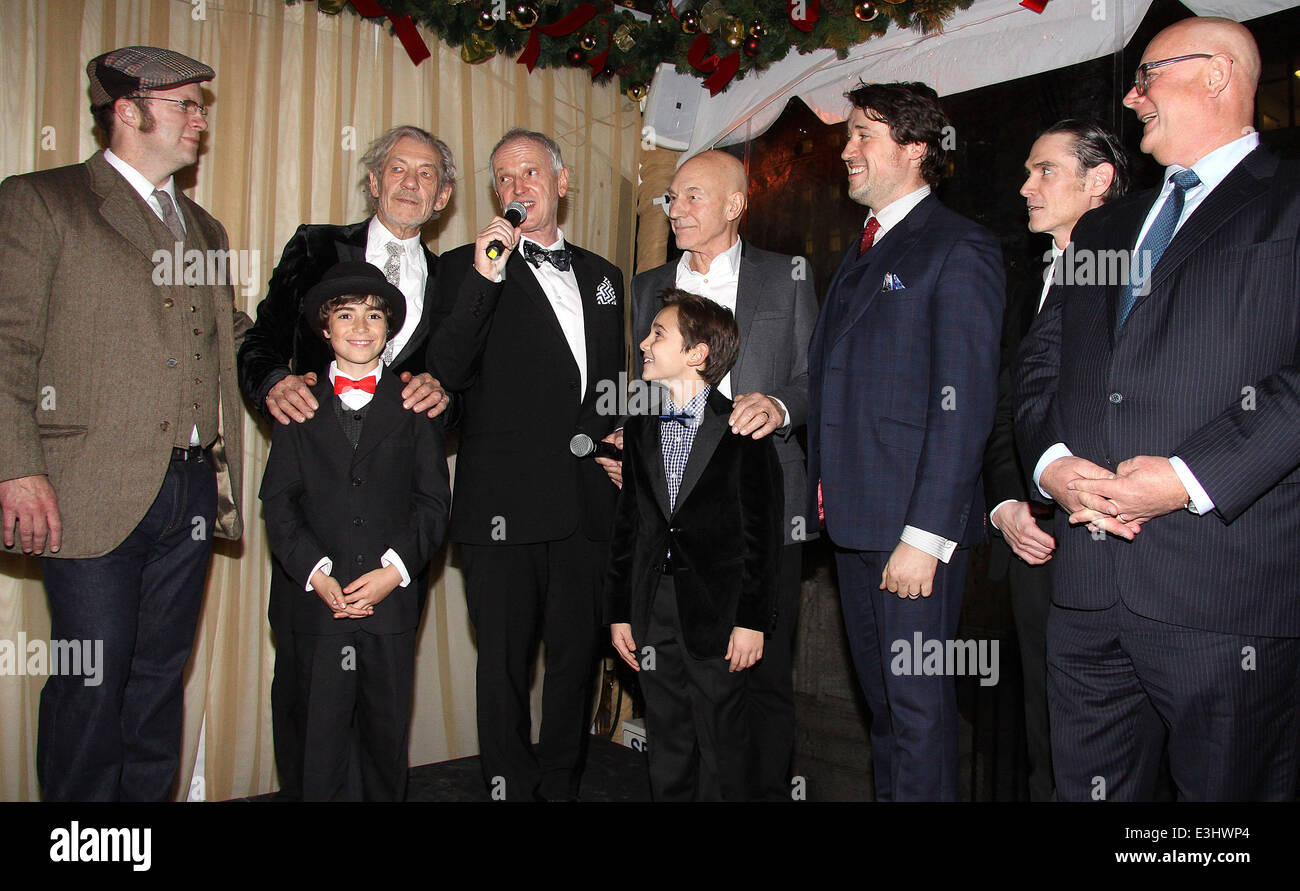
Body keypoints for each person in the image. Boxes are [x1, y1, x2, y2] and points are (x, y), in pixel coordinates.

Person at [1016, 16, 1300, 801]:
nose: (1133, 96)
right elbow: (1040, 365)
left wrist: (1187, 477)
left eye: (1149, 75)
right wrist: (1052, 466)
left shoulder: (1290, 202)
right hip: (1089, 589)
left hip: (1227, 595)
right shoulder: (1104, 225)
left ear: (1217, 74)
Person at [0, 46, 250, 800]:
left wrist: (305, 363)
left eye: (200, 107)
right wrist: (16, 465)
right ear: (129, 110)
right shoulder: (43, 200)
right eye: (186, 106)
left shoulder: (205, 229)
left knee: (156, 685)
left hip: (192, 488)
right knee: (91, 684)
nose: (200, 121)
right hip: (85, 488)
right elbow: (7, 342)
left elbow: (231, 335)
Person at [237, 125, 454, 799]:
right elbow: (263, 338)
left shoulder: (457, 278)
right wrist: (273, 380)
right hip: (315, 518)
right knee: (311, 712)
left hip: (394, 530)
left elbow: (469, 384)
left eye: (427, 174)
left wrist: (447, 398)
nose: (410, 182)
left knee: (381, 711)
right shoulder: (315, 245)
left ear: (444, 195)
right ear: (372, 180)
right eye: (397, 168)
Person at [806, 81, 1004, 801]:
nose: (847, 149)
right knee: (887, 716)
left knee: (918, 718)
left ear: (916, 147)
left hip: (910, 535)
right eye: (848, 134)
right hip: (854, 528)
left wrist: (925, 536)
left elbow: (966, 404)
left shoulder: (959, 247)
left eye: (864, 134)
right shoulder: (864, 249)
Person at [603, 150, 817, 800]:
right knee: (678, 690)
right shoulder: (647, 286)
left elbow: (818, 378)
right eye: (671, 197)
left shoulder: (786, 277)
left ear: (735, 204)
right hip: (672, 517)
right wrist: (630, 442)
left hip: (761, 505)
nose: (677, 209)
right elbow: (646, 383)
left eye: (694, 196)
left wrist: (777, 406)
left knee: (762, 675)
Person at [427, 128, 624, 800]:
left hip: (585, 506)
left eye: (530, 173)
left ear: (561, 182)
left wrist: (621, 437)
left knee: (575, 662)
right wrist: (487, 274)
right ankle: (508, 786)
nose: (517, 189)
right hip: (500, 507)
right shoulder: (462, 266)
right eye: (504, 178)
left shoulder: (604, 277)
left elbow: (607, 384)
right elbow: (445, 372)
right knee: (504, 667)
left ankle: (562, 787)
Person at [259, 261, 449, 801]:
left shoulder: (417, 407)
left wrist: (395, 571)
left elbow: (433, 503)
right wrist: (317, 574)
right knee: (314, 739)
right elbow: (279, 502)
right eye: (346, 316)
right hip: (315, 606)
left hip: (389, 607)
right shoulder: (297, 404)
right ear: (325, 330)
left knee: (384, 739)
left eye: (373, 315)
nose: (361, 327)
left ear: (389, 329)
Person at [982, 119, 1129, 801]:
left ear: (1098, 181)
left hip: (1116, 540)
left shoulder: (1137, 274)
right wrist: (1008, 502)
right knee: (1047, 736)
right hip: (1031, 544)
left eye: (1044, 170)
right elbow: (1005, 404)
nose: (1025, 186)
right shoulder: (1024, 278)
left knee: (1122, 749)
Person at [606, 290, 782, 801]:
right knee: (668, 738)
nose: (644, 343)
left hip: (719, 613)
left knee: (722, 743)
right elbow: (628, 527)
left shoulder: (743, 429)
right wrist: (620, 611)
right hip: (652, 607)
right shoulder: (638, 426)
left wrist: (751, 621)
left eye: (658, 334)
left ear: (697, 353)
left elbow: (763, 536)